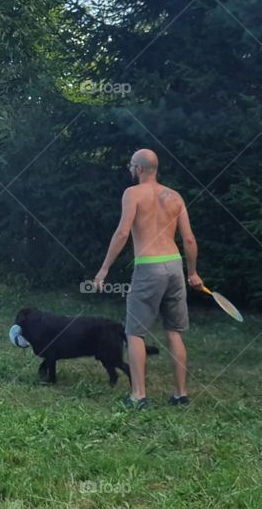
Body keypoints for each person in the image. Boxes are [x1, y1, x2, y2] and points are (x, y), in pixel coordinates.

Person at [93, 149, 203, 409]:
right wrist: (193, 272)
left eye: (131, 166)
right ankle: (181, 395)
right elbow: (188, 238)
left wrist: (104, 268)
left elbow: (122, 233)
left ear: (139, 169)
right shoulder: (174, 196)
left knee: (134, 333)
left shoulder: (132, 194)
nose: (130, 170)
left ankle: (138, 396)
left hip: (148, 268)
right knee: (174, 331)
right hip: (174, 266)